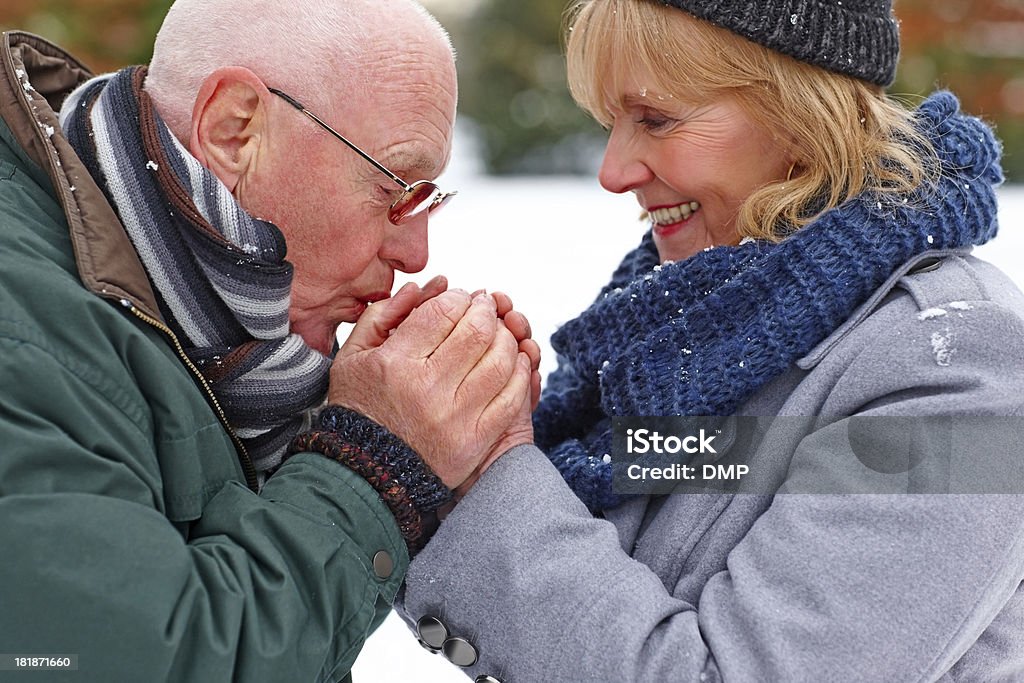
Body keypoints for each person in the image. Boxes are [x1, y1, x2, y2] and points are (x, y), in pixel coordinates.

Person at [357, 0, 1024, 680]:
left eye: (655, 119)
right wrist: (439, 436)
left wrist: (490, 473)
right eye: (610, 123)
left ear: (797, 111)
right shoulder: (700, 327)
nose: (613, 171)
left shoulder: (956, 370)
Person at [0, 0, 535, 680]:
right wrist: (367, 469)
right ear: (234, 130)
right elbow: (121, 661)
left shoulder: (220, 332)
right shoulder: (22, 330)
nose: (415, 251)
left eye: (431, 202)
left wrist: (442, 449)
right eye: (395, 189)